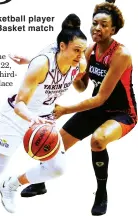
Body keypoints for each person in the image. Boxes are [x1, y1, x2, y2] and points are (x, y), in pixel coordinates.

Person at [0, 14, 87, 214]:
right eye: (76, 50)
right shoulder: (41, 64)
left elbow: (61, 69)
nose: (80, 56)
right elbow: (19, 104)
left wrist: (29, 61)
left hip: (44, 119)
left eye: (83, 51)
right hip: (17, 116)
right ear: (62, 46)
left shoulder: (78, 64)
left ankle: (10, 185)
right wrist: (32, 118)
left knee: (57, 168)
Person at [9, 1, 137, 215]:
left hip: (122, 113)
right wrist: (70, 70)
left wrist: (64, 109)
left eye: (104, 25)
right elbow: (81, 86)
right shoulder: (88, 50)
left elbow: (100, 98)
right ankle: (41, 181)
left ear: (113, 30)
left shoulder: (121, 55)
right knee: (52, 142)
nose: (97, 28)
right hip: (98, 108)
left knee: (98, 141)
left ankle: (101, 192)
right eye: (95, 23)